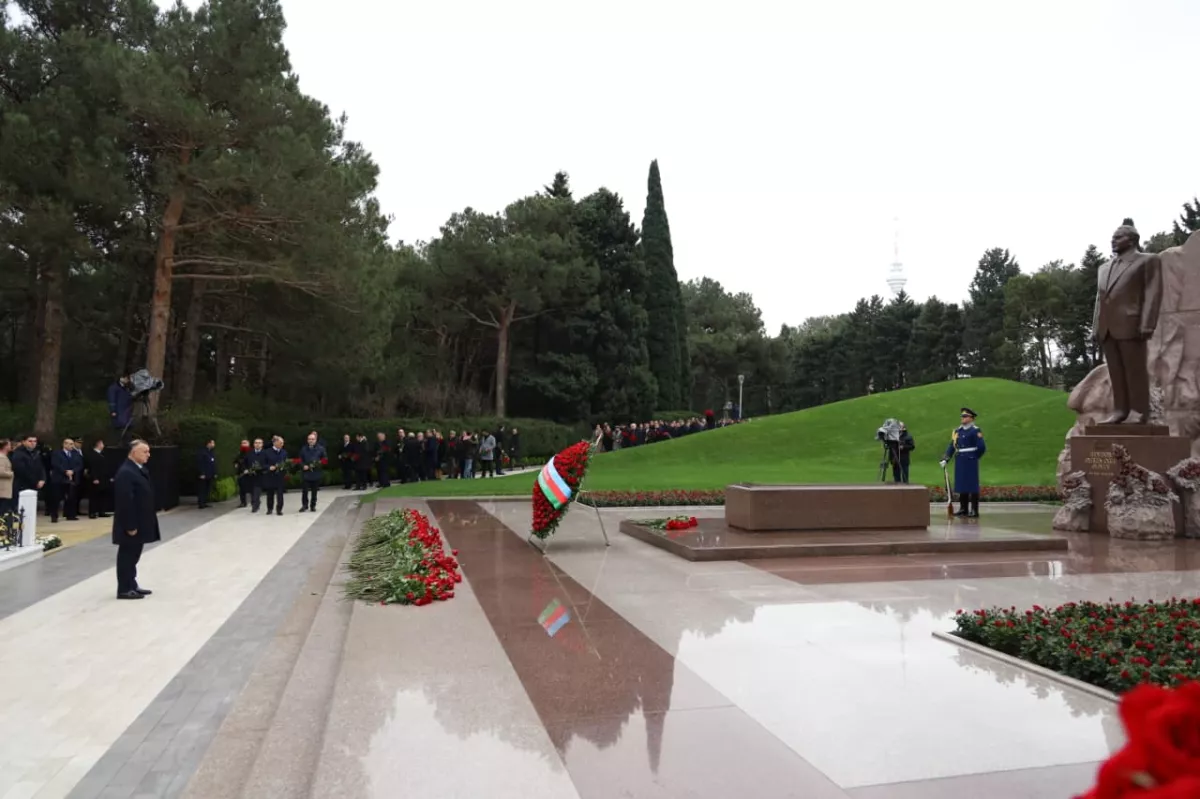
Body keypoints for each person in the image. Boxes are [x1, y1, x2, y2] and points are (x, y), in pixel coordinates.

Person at [1092, 218, 1163, 424]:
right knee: (1116, 372)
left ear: (1132, 240)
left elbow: (1153, 293)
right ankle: (1120, 410)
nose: (1113, 241)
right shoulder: (1103, 268)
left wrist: (1147, 323)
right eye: (1112, 238)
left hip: (1131, 324)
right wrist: (1095, 326)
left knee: (1135, 371)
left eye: (1118, 237)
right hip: (1107, 327)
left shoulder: (1147, 261)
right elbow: (1100, 299)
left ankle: (1138, 412)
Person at [112, 439, 159, 600]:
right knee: (127, 556)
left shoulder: (138, 469)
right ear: (133, 453)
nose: (148, 455)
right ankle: (124, 588)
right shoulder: (126, 472)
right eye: (144, 451)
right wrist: (130, 525)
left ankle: (131, 584)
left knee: (134, 555)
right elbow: (125, 501)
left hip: (140, 521)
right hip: (131, 523)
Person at [941, 407, 986, 518]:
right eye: (962, 416)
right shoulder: (958, 431)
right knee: (962, 484)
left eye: (965, 416)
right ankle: (963, 509)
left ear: (971, 418)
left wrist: (974, 457)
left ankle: (974, 510)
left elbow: (981, 447)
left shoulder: (975, 430)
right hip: (960, 459)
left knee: (972, 485)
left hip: (970, 460)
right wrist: (945, 458)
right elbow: (952, 446)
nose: (963, 418)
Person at [49, 438, 83, 522]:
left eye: (72, 444)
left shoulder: (76, 454)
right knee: (56, 498)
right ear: (64, 444)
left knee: (71, 497)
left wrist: (73, 471)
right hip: (59, 478)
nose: (72, 446)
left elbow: (80, 465)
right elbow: (56, 464)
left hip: (71, 478)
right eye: (70, 444)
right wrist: (65, 471)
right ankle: (54, 516)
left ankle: (70, 515)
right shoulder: (57, 453)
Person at [11, 435, 46, 501]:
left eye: (35, 441)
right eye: (30, 441)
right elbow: (21, 470)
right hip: (22, 485)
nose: (33, 443)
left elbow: (41, 467)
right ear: (24, 442)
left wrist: (42, 479)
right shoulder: (18, 453)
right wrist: (35, 481)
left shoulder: (36, 453)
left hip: (35, 486)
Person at [299, 432, 327, 512]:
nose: (311, 440)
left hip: (316, 472)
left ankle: (313, 505)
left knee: (314, 491)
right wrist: (303, 465)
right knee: (305, 491)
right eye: (309, 439)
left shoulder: (321, 449)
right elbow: (300, 460)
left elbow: (325, 460)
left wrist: (317, 464)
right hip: (306, 473)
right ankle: (304, 505)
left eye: (312, 439)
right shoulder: (303, 449)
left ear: (316, 440)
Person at [84, 439, 113, 518]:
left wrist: (109, 477)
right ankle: (92, 512)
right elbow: (92, 468)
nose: (103, 445)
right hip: (96, 478)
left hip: (104, 478)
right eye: (102, 444)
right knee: (94, 496)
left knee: (103, 495)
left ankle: (101, 511)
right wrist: (94, 478)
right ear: (98, 444)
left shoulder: (103, 454)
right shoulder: (92, 455)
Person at [262, 435, 287, 515]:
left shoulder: (284, 452)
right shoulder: (267, 452)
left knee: (280, 493)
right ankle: (270, 508)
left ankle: (279, 509)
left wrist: (283, 468)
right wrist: (269, 467)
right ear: (275, 442)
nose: (282, 444)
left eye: (282, 443)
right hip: (270, 475)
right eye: (280, 443)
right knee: (270, 493)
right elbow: (263, 464)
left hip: (280, 475)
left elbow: (285, 462)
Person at [247, 438, 267, 512]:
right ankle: (255, 502)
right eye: (256, 443)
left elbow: (267, 463)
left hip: (261, 474)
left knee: (257, 490)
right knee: (252, 490)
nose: (257, 444)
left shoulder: (265, 453)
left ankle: (255, 505)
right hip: (251, 475)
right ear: (253, 444)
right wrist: (246, 469)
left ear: (262, 444)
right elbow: (245, 462)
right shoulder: (250, 453)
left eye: (259, 443)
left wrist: (261, 468)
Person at [197, 438, 217, 509]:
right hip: (204, 474)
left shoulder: (211, 452)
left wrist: (214, 473)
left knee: (207, 489)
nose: (213, 444)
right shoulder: (202, 452)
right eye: (212, 443)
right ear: (208, 443)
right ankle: (201, 503)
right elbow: (200, 463)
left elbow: (213, 463)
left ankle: (204, 502)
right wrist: (201, 473)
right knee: (202, 489)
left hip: (209, 474)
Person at [234, 440, 252, 508]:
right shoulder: (240, 453)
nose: (243, 444)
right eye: (242, 443)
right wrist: (236, 463)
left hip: (249, 473)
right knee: (242, 489)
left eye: (245, 443)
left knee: (251, 488)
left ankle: (254, 501)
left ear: (248, 444)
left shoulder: (251, 452)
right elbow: (236, 460)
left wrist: (249, 469)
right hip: (241, 473)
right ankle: (243, 502)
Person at [0, 439, 13, 517]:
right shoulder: (1, 457)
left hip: (4, 489)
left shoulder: (5, 457)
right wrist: (11, 474)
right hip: (2, 489)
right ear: (5, 446)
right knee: (2, 511)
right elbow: (1, 472)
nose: (10, 446)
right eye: (9, 445)